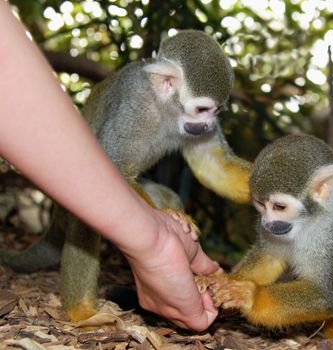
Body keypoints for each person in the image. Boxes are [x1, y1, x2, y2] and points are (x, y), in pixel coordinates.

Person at [0, 1, 219, 330]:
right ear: (167, 82)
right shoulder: (142, 96)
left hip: (106, 179)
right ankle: (80, 307)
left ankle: (171, 276)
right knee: (86, 223)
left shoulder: (187, 108)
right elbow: (112, 168)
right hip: (84, 183)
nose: (208, 121)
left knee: (171, 202)